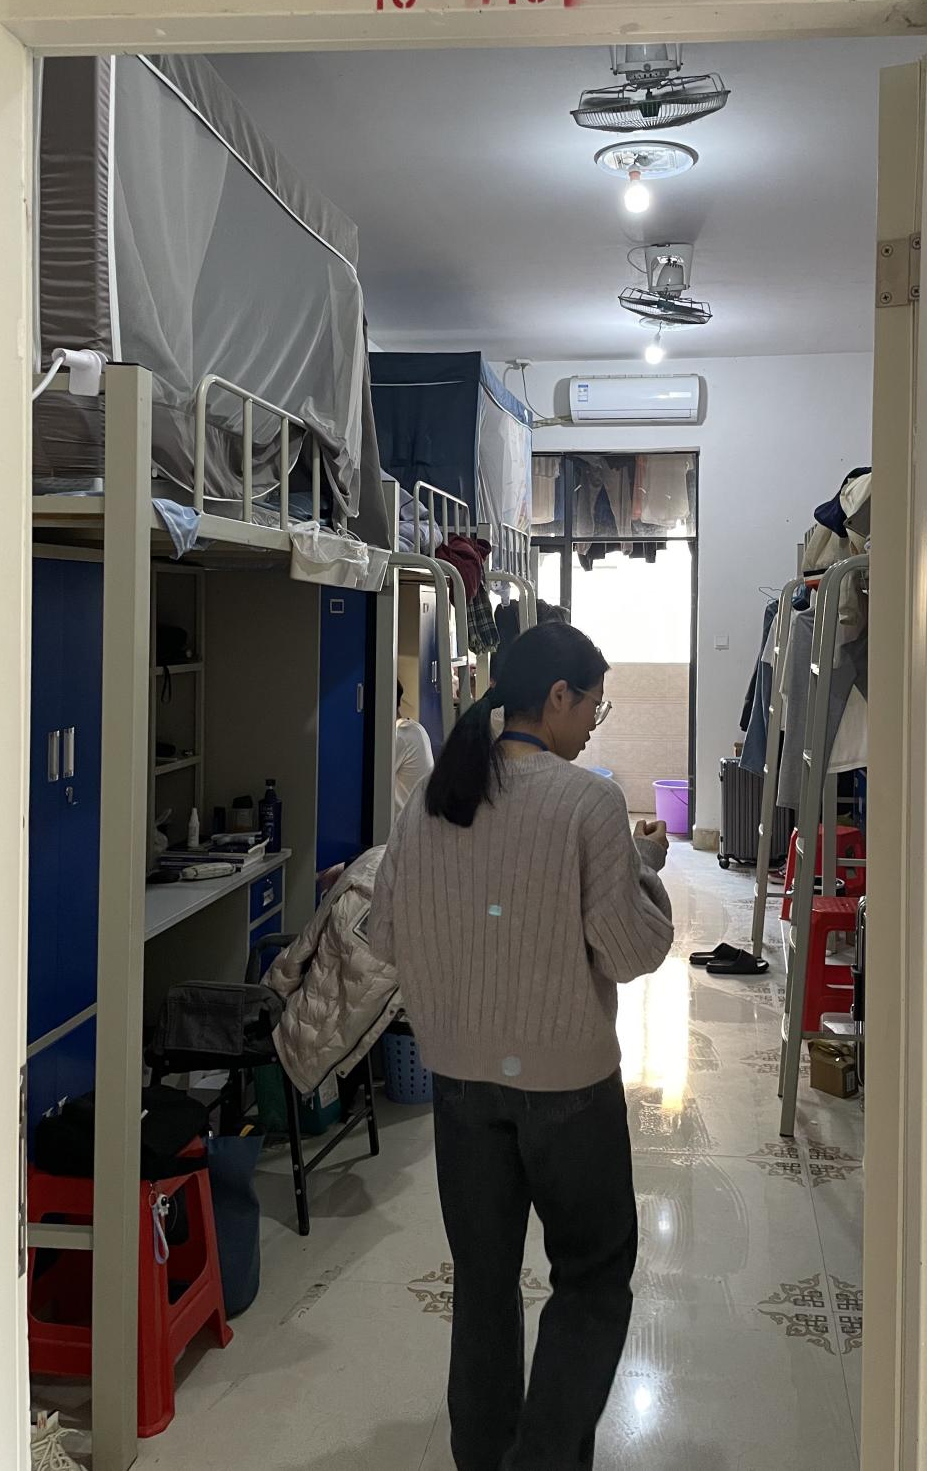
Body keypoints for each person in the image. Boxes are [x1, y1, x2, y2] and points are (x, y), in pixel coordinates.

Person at [369, 623, 672, 1471]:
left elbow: (386, 931)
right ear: (558, 697)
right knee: (592, 1275)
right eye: (593, 707)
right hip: (568, 1085)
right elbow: (629, 949)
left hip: (460, 1084)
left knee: (483, 1285)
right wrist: (645, 869)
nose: (592, 727)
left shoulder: (435, 797)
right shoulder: (589, 802)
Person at [394, 679, 435, 814]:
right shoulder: (415, 729)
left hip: (405, 821)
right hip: (418, 816)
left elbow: (376, 777)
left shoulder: (400, 735)